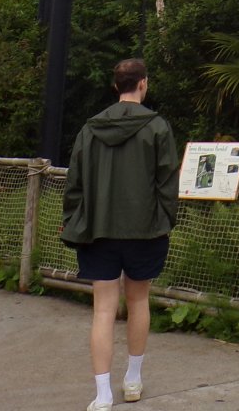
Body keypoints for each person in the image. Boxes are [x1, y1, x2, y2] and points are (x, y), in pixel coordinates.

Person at [62, 59, 179, 410]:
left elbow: (75, 183)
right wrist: (163, 221)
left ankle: (101, 396)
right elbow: (167, 183)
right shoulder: (157, 127)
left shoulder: (90, 129)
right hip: (145, 230)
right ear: (142, 83)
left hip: (98, 230)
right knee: (139, 301)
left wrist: (73, 219)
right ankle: (132, 379)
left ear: (116, 86)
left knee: (103, 310)